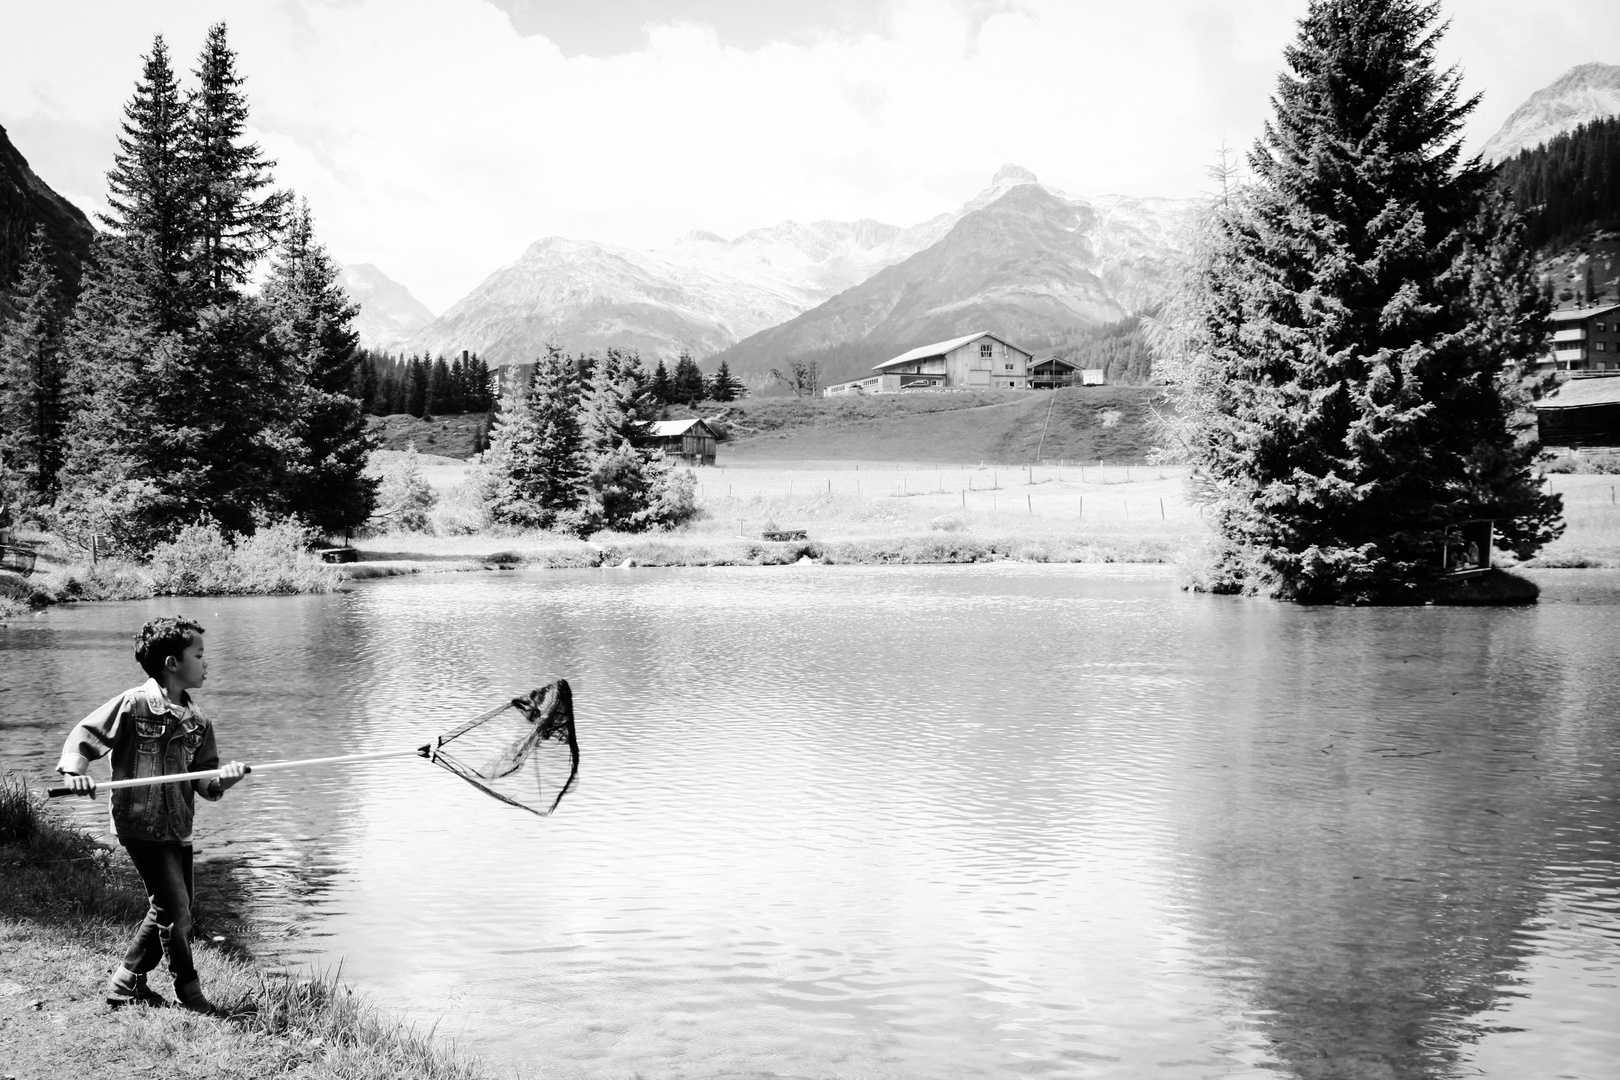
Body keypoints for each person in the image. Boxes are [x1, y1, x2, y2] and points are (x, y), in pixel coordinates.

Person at [56, 616, 247, 1014]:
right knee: (176, 909)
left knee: (173, 906)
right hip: (139, 824)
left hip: (179, 826)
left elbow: (206, 785)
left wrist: (225, 780)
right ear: (172, 663)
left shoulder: (199, 722)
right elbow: (85, 736)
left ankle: (127, 981)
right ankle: (188, 990)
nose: (206, 662)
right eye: (199, 654)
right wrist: (75, 772)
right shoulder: (133, 704)